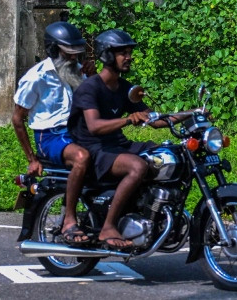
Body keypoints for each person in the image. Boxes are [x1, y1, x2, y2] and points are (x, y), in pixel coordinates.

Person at [68, 28, 168, 253]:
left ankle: (143, 212)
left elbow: (154, 119)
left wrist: (191, 114)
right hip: (94, 149)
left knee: (164, 156)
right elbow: (94, 126)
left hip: (117, 146)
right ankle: (108, 226)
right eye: (122, 52)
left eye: (129, 52)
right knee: (137, 166)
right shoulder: (90, 87)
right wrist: (126, 120)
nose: (129, 57)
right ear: (107, 55)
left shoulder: (124, 88)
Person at [12, 21, 95, 246]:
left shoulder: (80, 73)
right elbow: (17, 119)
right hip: (49, 136)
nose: (74, 59)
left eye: (77, 54)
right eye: (68, 54)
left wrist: (95, 77)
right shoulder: (36, 77)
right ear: (53, 50)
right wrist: (32, 158)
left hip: (78, 132)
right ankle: (69, 219)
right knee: (81, 158)